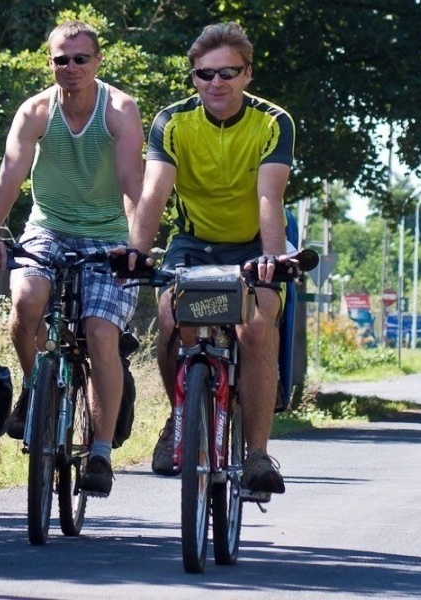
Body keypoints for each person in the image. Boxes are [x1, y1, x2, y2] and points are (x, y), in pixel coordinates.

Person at [0, 21, 144, 497]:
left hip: (108, 236)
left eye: (80, 59)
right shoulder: (34, 112)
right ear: (48, 62)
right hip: (47, 230)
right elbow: (9, 178)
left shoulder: (119, 109)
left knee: (99, 333)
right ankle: (36, 389)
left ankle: (101, 452)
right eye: (60, 60)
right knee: (26, 304)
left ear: (98, 62)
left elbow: (134, 183)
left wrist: (135, 247)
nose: (70, 68)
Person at [127, 22, 296, 495]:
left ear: (247, 75)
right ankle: (180, 418)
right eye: (205, 74)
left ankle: (258, 454)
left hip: (251, 245)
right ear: (193, 77)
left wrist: (270, 259)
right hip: (195, 243)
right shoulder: (173, 122)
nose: (216, 83)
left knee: (257, 326)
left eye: (228, 73)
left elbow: (270, 197)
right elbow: (155, 191)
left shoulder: (272, 122)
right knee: (168, 317)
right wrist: (137, 253)